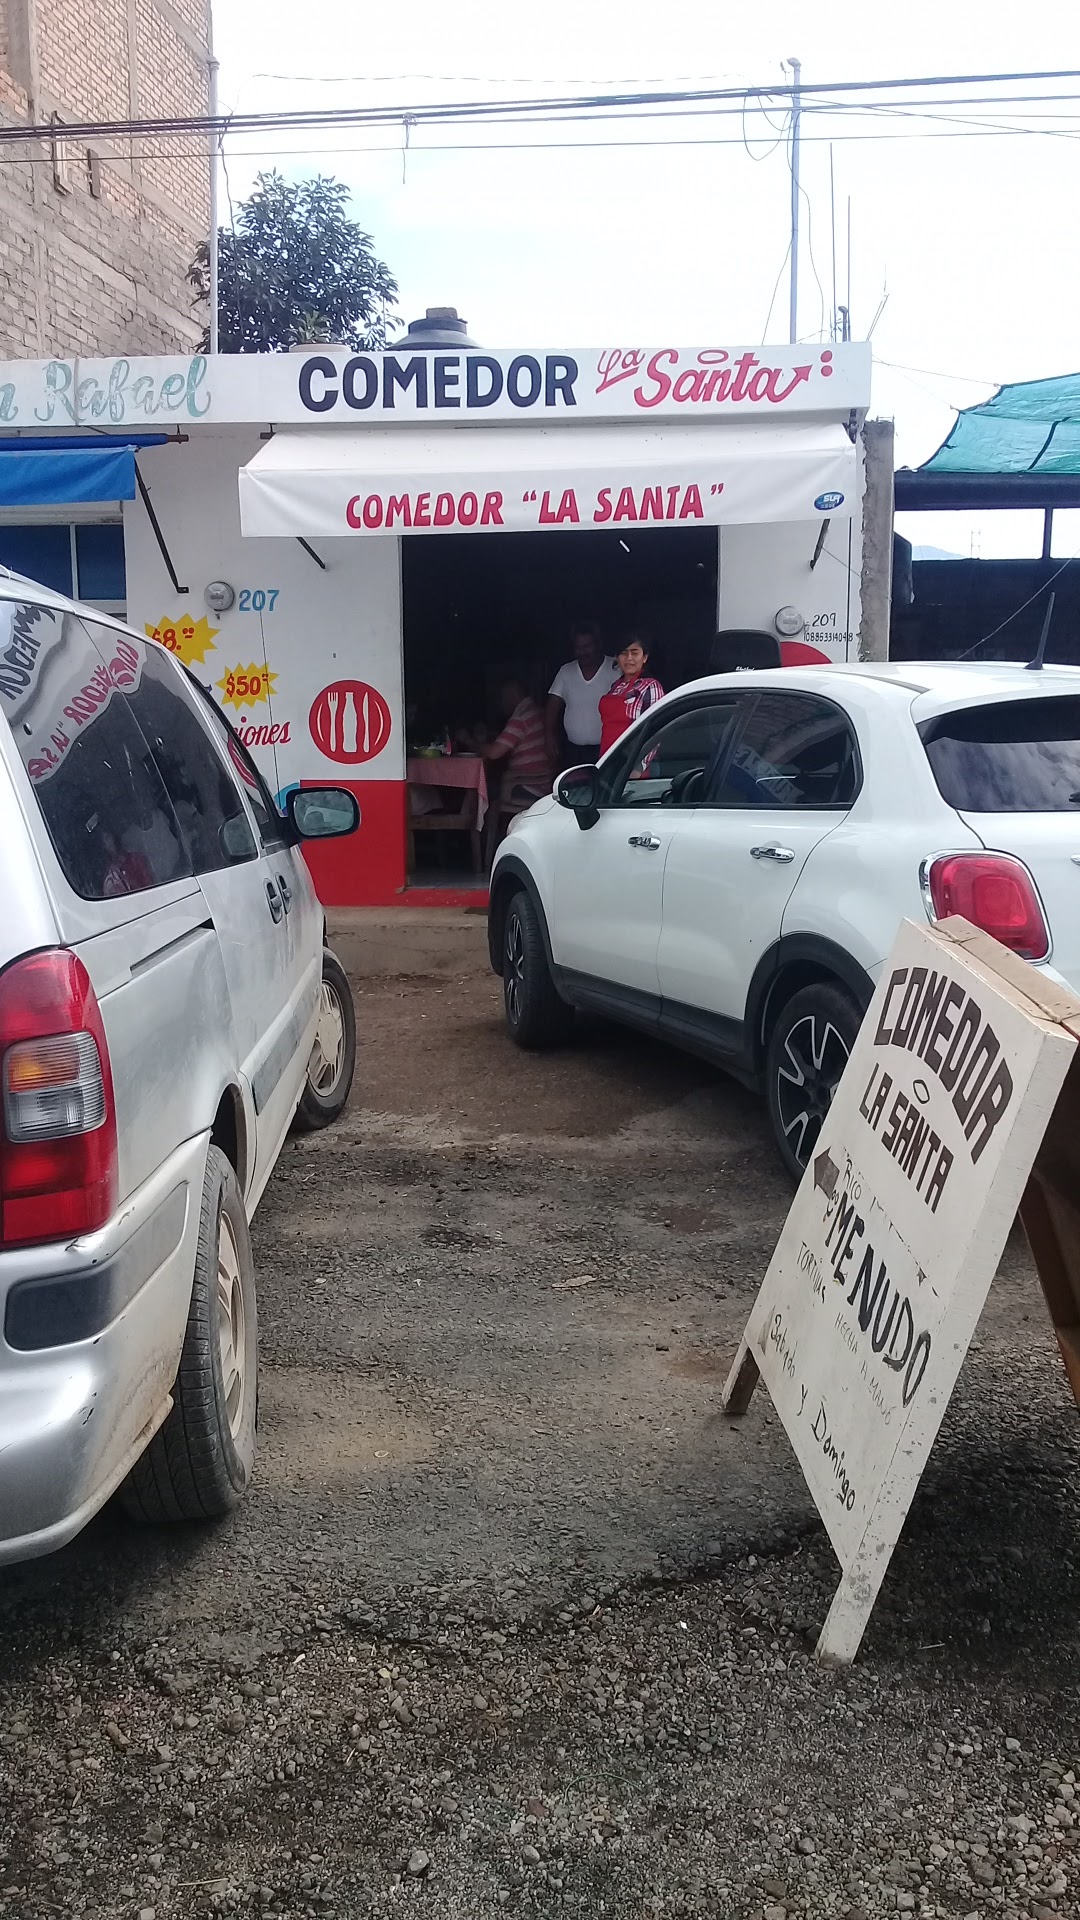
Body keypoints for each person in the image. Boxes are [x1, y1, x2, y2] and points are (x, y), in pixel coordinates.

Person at [546, 621, 616, 768]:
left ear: (598, 644)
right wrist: (549, 736)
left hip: (608, 749)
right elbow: (552, 707)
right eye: (579, 648)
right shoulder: (566, 671)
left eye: (588, 646)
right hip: (573, 752)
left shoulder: (616, 668)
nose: (583, 652)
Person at [481, 677, 553, 805]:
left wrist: (472, 742)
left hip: (529, 787)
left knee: (484, 791)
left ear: (512, 695)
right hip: (544, 782)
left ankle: (479, 825)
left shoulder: (520, 718)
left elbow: (493, 753)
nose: (501, 703)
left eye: (502, 697)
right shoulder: (537, 710)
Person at [598, 633, 665, 756]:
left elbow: (656, 731)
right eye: (623, 653)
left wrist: (639, 767)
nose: (629, 658)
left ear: (644, 657)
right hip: (608, 758)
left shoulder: (651, 687)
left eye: (634, 653)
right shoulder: (615, 686)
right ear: (617, 658)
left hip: (632, 763)